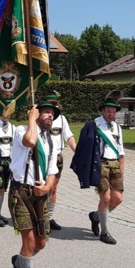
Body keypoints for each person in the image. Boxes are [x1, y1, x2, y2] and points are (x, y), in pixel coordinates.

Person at [8, 101, 60, 268]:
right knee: (30, 241)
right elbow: (30, 141)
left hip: (40, 194)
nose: (50, 115)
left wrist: (47, 187)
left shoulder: (51, 141)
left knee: (41, 242)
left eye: (52, 114)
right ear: (36, 114)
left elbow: (52, 171)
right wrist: (31, 119)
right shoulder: (21, 130)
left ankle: (20, 262)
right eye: (46, 112)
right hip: (21, 192)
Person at [73, 98, 125, 245]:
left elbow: (121, 152)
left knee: (118, 199)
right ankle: (104, 232)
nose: (111, 114)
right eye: (108, 111)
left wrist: (122, 171)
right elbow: (84, 148)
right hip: (100, 164)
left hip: (115, 164)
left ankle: (95, 216)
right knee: (106, 198)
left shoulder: (117, 128)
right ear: (102, 111)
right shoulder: (94, 125)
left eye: (113, 111)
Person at [43, 93, 76, 230]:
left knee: (53, 188)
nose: (53, 106)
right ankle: (39, 215)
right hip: (43, 156)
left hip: (57, 156)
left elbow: (69, 137)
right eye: (50, 104)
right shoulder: (42, 119)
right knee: (42, 186)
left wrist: (78, 153)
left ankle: (49, 217)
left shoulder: (62, 119)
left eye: (55, 103)